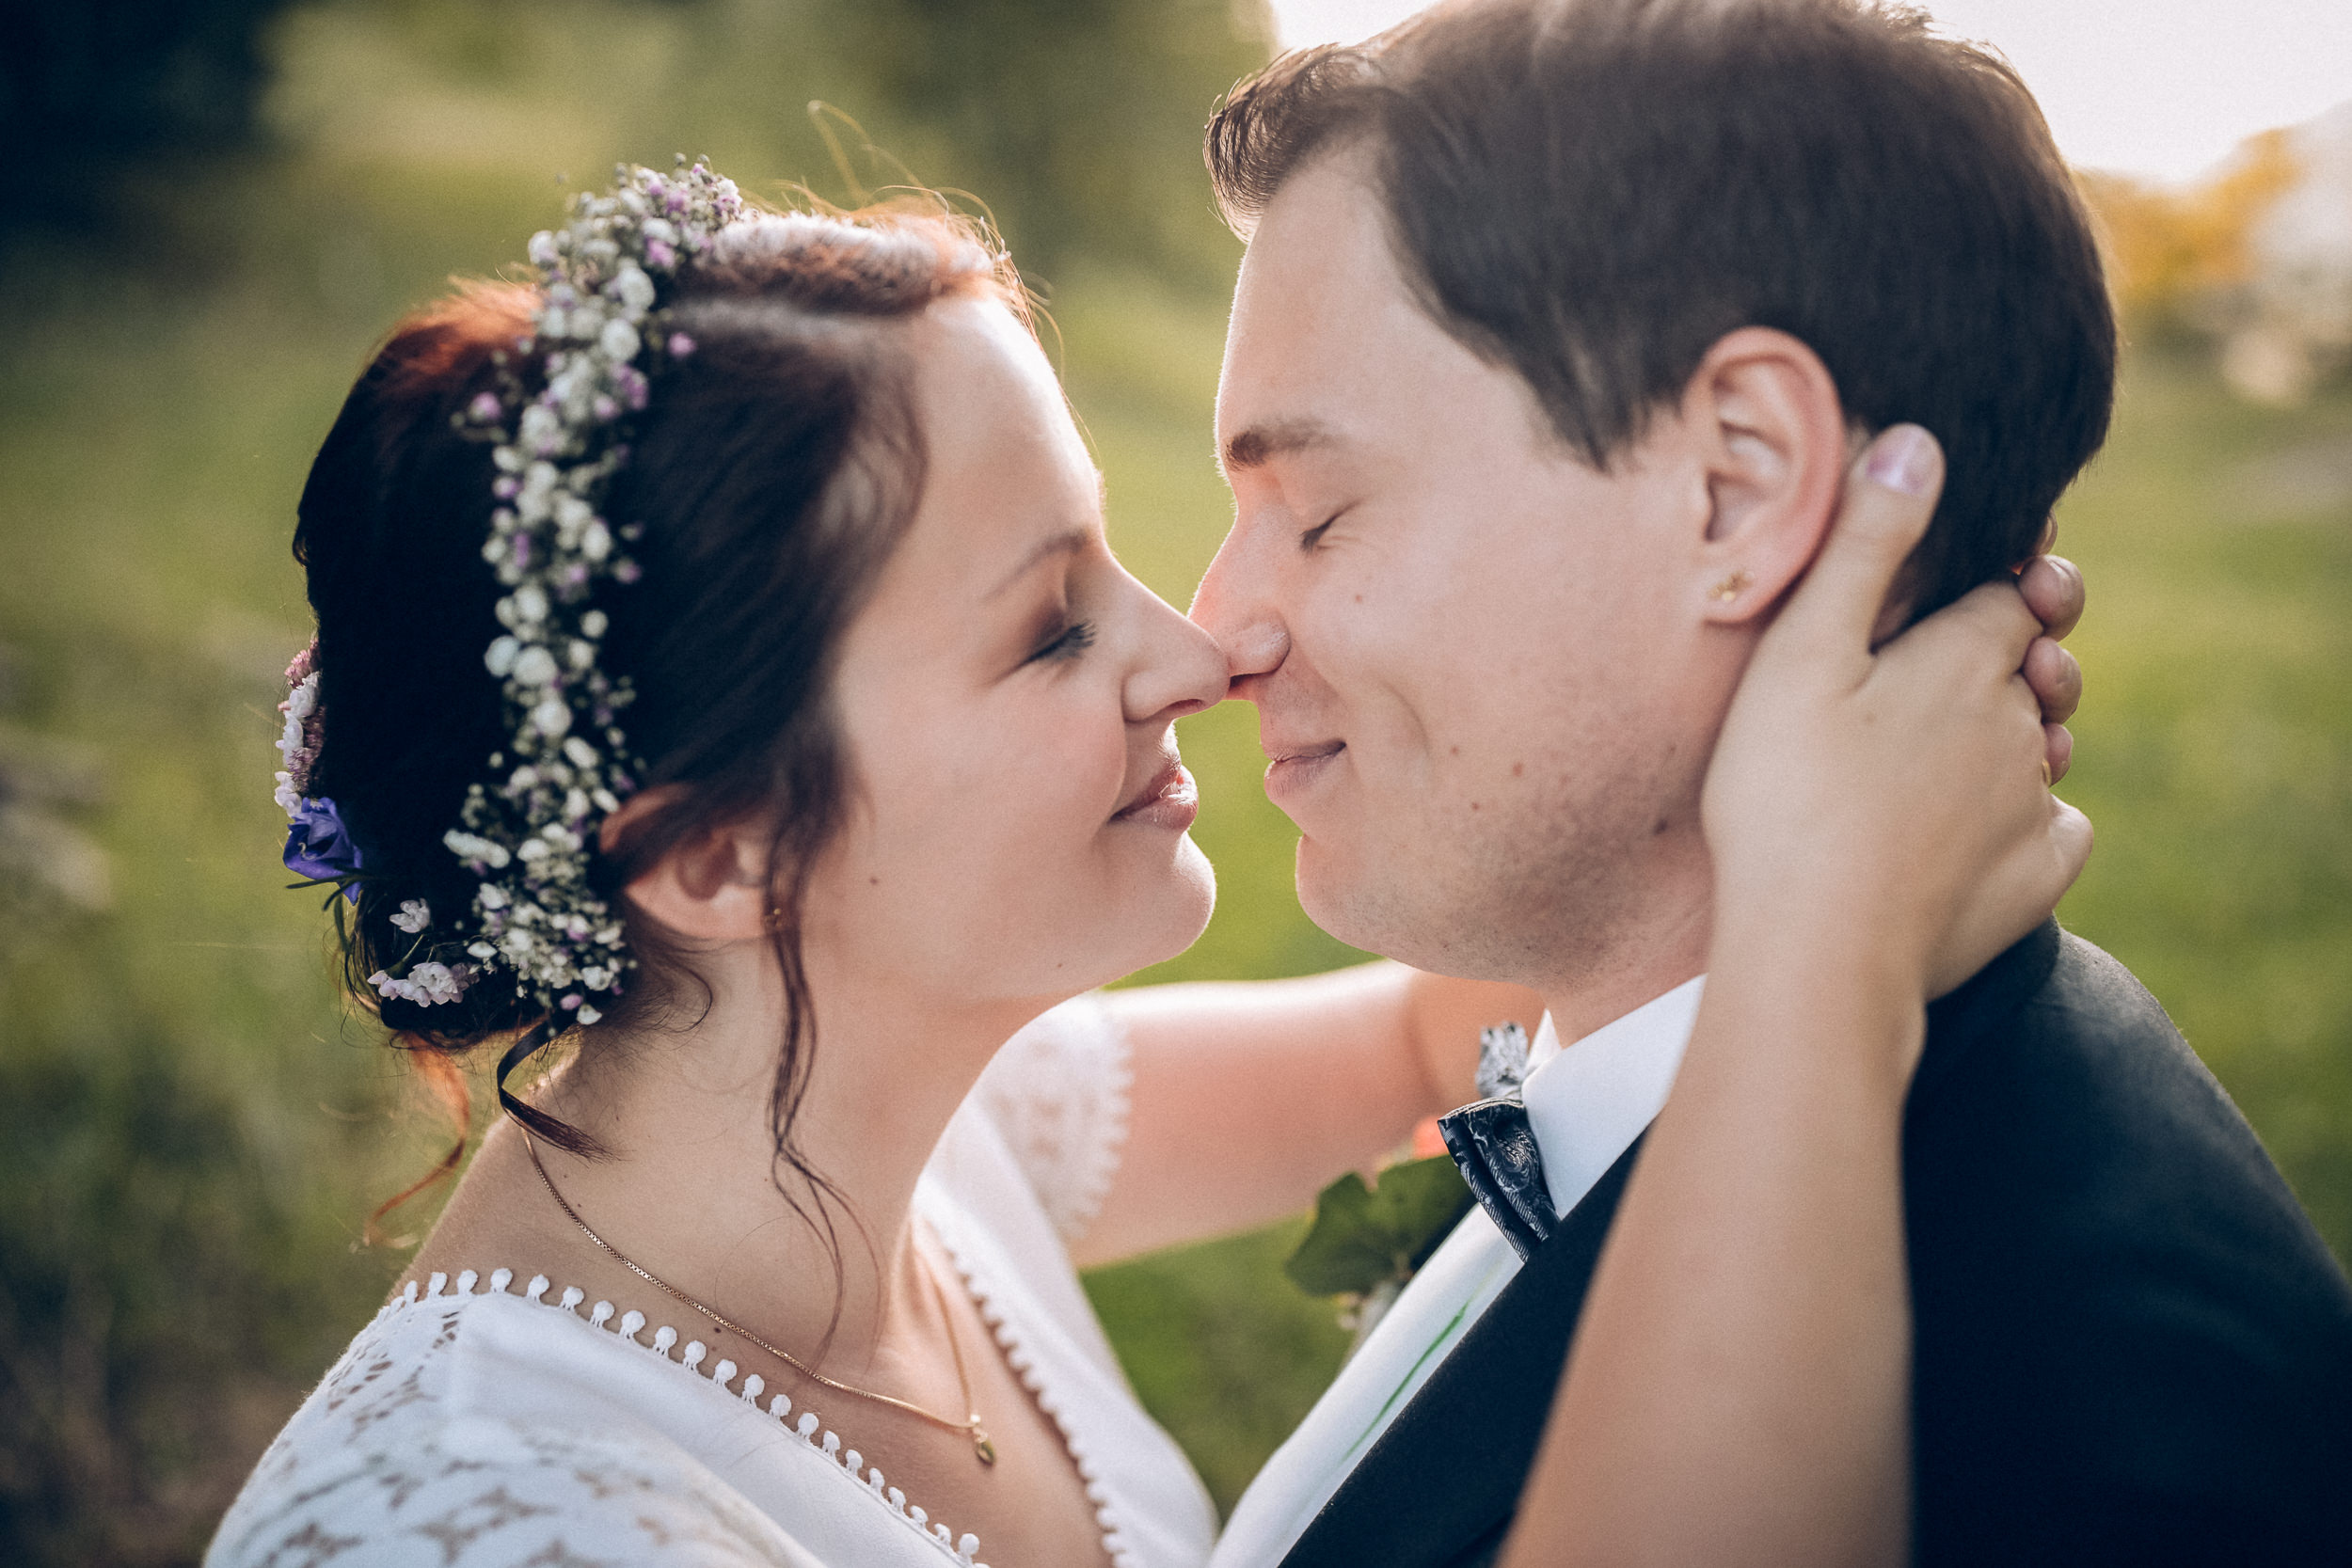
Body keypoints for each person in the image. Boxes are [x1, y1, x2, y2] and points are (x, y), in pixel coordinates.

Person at [207, 155, 2082, 1565]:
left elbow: (1424, 1042)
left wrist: (1783, 706)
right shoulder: (494, 1523)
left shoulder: (918, 1139)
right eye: (1049, 629)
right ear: (711, 854)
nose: (1200, 652)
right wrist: (1828, 931)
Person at [1185, 3, 2352, 1566]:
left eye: (1320, 511)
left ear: (1737, 485)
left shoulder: (2077, 1442)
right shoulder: (1686, 1078)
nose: (1216, 628)